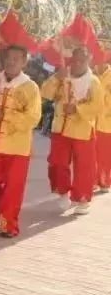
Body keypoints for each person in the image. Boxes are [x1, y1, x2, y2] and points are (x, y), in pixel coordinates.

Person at [0, 45, 42, 237]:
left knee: (13, 189)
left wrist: (8, 116)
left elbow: (33, 118)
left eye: (16, 58)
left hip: (17, 147)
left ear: (24, 62)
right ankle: (2, 208)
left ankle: (8, 224)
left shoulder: (31, 87)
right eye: (9, 57)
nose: (11, 61)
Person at [41, 47, 102, 215]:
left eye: (82, 60)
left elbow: (97, 106)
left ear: (89, 60)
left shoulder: (94, 82)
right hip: (60, 128)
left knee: (84, 166)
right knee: (57, 162)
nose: (77, 63)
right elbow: (45, 93)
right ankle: (62, 191)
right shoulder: (62, 76)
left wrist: (77, 109)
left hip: (82, 129)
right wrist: (55, 78)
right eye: (75, 60)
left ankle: (82, 197)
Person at [96, 61, 111, 194]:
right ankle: (92, 181)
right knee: (90, 156)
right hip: (89, 122)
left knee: (105, 156)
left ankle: (104, 181)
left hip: (107, 124)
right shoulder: (90, 74)